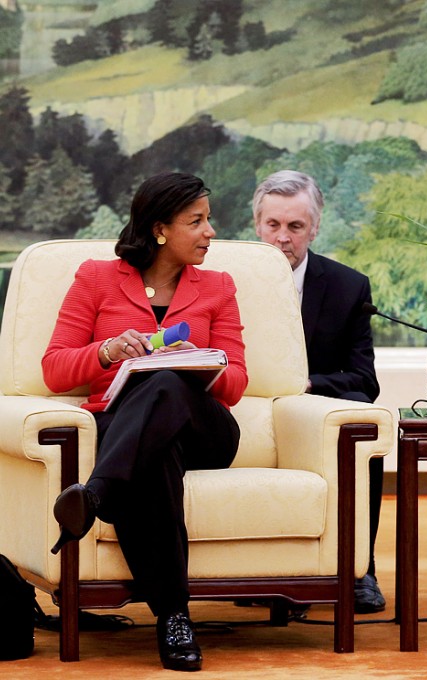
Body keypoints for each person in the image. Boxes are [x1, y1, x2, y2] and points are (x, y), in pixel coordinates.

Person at [42, 172, 248, 672]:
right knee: (154, 462)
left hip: (206, 430)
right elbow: (54, 369)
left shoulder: (218, 286)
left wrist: (198, 360)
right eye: (196, 221)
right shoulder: (96, 279)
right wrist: (108, 350)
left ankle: (97, 494)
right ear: (160, 229)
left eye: (208, 219)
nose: (210, 231)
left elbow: (238, 383)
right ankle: (174, 617)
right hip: (125, 430)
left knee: (167, 382)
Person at [252, 170, 385, 613]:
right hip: (244, 410)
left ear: (314, 228)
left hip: (312, 412)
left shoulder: (349, 287)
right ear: (257, 225)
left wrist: (307, 384)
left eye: (295, 226)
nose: (282, 238)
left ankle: (359, 570)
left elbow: (364, 380)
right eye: (273, 225)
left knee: (361, 423)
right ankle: (257, 573)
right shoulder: (223, 280)